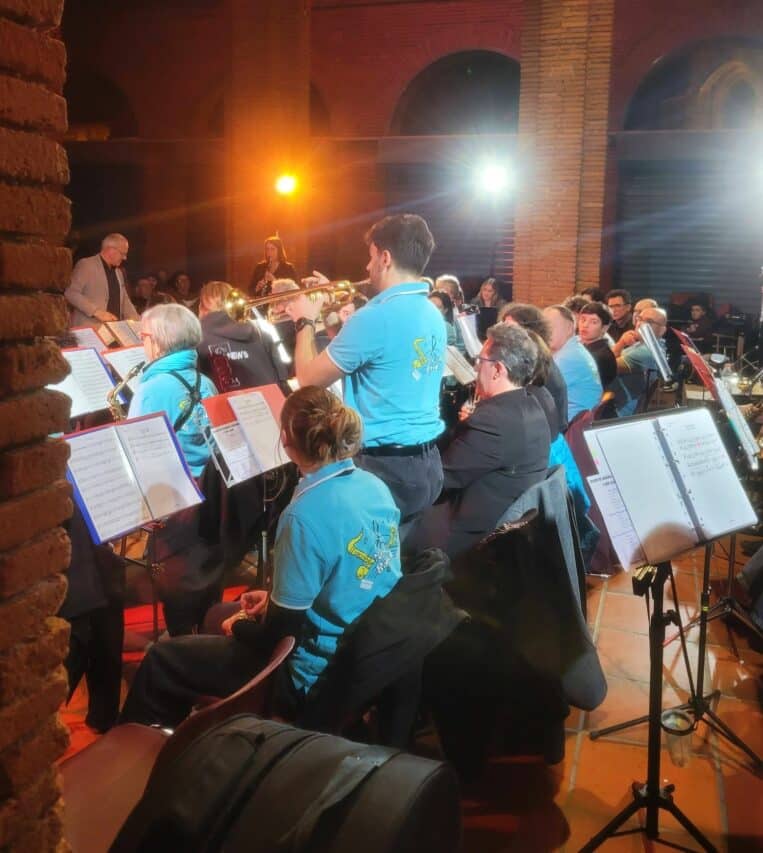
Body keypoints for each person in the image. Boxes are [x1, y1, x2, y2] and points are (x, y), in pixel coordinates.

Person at [119, 386, 402, 728]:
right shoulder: (373, 485)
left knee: (164, 659)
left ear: (285, 439)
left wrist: (239, 626)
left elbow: (278, 636)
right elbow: (344, 575)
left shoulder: (304, 515)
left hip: (312, 672)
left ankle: (155, 748)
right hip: (364, 647)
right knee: (216, 614)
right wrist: (274, 599)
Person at [284, 213, 446, 523]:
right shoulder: (430, 311)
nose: (366, 267)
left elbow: (307, 379)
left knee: (361, 567)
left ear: (385, 258)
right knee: (393, 562)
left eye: (371, 258)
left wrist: (305, 320)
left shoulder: (374, 318)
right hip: (425, 463)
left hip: (384, 469)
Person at [412, 323, 550, 559]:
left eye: (480, 361)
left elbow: (440, 479)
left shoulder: (493, 421)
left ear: (497, 369)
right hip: (504, 521)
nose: (476, 368)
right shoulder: (530, 404)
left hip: (472, 538)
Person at [129, 303, 217, 477]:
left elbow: (136, 453)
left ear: (159, 342)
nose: (142, 342)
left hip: (176, 487)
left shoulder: (150, 391)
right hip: (212, 483)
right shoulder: (206, 382)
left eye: (143, 336)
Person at [197, 281, 288, 393]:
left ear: (202, 307)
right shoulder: (260, 328)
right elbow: (281, 374)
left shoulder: (194, 337)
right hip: (269, 402)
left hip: (222, 406)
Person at [500, 302, 568, 433]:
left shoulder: (535, 366)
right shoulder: (533, 357)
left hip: (546, 437)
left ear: (531, 333)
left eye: (512, 330)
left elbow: (519, 417)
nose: (504, 336)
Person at [65, 233, 138, 328]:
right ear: (110, 250)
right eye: (122, 253)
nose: (125, 258)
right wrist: (96, 311)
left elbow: (125, 301)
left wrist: (139, 322)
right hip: (89, 331)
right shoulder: (86, 265)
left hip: (113, 333)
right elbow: (70, 292)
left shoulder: (119, 273)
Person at [544, 304, 602, 421]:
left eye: (550, 326)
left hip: (570, 427)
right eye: (543, 327)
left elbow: (538, 394)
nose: (545, 332)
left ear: (570, 328)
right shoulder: (572, 349)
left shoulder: (567, 357)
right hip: (576, 421)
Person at [611, 306, 668, 416]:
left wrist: (621, 343)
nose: (640, 324)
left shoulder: (647, 352)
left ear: (662, 330)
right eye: (640, 319)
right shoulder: (643, 344)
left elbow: (605, 367)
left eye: (649, 322)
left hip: (617, 411)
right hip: (614, 401)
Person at [578, 302, 617, 387]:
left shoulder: (601, 356)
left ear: (604, 328)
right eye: (583, 319)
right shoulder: (581, 345)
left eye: (593, 322)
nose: (585, 325)